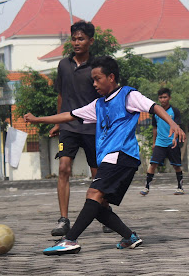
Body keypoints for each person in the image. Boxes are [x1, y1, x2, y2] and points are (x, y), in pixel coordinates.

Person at [24, 56, 185, 255]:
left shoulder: (128, 95)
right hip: (115, 160)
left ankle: (70, 240)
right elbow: (70, 115)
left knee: (93, 195)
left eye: (97, 79)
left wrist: (173, 123)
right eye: (92, 80)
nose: (94, 83)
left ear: (111, 77)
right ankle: (129, 237)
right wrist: (38, 120)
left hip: (121, 156)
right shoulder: (98, 105)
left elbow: (154, 107)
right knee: (97, 204)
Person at [48, 20, 110, 236]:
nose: (76, 42)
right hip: (69, 127)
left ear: (90, 41)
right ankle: (64, 219)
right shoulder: (63, 65)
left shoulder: (97, 66)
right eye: (73, 38)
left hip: (93, 128)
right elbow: (61, 95)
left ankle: (106, 214)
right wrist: (57, 122)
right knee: (64, 168)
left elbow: (106, 96)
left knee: (97, 174)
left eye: (81, 39)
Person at [140, 88, 184, 196]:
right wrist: (154, 143)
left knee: (176, 165)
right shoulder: (156, 112)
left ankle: (180, 187)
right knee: (153, 164)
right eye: (160, 97)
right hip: (160, 143)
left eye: (165, 97)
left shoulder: (174, 111)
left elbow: (177, 126)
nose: (163, 99)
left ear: (169, 98)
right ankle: (146, 187)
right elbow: (155, 128)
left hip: (171, 142)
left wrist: (175, 138)